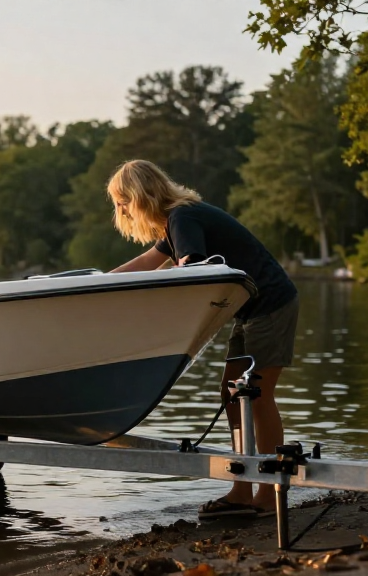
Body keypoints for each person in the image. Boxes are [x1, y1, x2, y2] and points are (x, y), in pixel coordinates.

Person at [107, 159, 299, 519]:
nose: (121, 211)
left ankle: (272, 492)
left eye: (123, 201)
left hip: (271, 305)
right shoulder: (175, 221)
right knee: (233, 394)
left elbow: (193, 271)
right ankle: (243, 488)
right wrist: (100, 284)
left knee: (257, 397)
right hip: (250, 310)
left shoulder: (183, 218)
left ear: (139, 195)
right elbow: (148, 261)